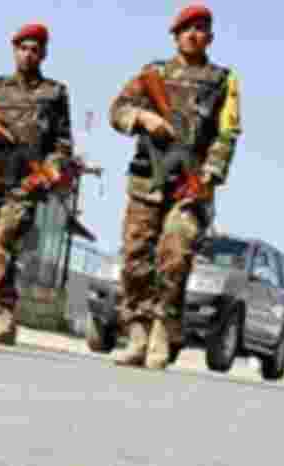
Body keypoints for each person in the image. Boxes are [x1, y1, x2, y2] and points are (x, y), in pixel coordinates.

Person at [108, 4, 241, 370]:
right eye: (187, 29)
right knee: (135, 256)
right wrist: (142, 117)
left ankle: (163, 330)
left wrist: (210, 175)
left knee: (176, 253)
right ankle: (136, 330)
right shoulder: (153, 74)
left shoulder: (223, 80)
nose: (194, 35)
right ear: (176, 35)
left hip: (189, 184)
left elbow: (227, 134)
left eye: (201, 29)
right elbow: (117, 110)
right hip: (147, 181)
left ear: (210, 37)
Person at [0, 23, 74, 346]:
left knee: (4, 239)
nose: (28, 54)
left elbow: (62, 145)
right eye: (23, 48)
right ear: (14, 50)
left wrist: (49, 171)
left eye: (35, 49)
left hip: (26, 184)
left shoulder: (54, 93)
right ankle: (5, 315)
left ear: (44, 54)